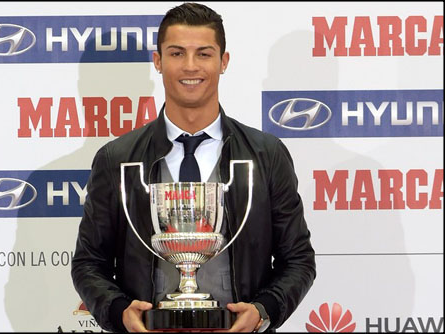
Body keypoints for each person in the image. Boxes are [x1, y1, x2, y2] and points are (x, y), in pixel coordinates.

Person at [71, 2, 316, 332]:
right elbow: (89, 263)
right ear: (157, 62)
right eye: (176, 53)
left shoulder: (266, 155)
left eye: (203, 53)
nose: (190, 66)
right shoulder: (117, 159)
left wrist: (263, 309)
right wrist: (119, 312)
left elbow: (298, 259)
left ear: (223, 61)